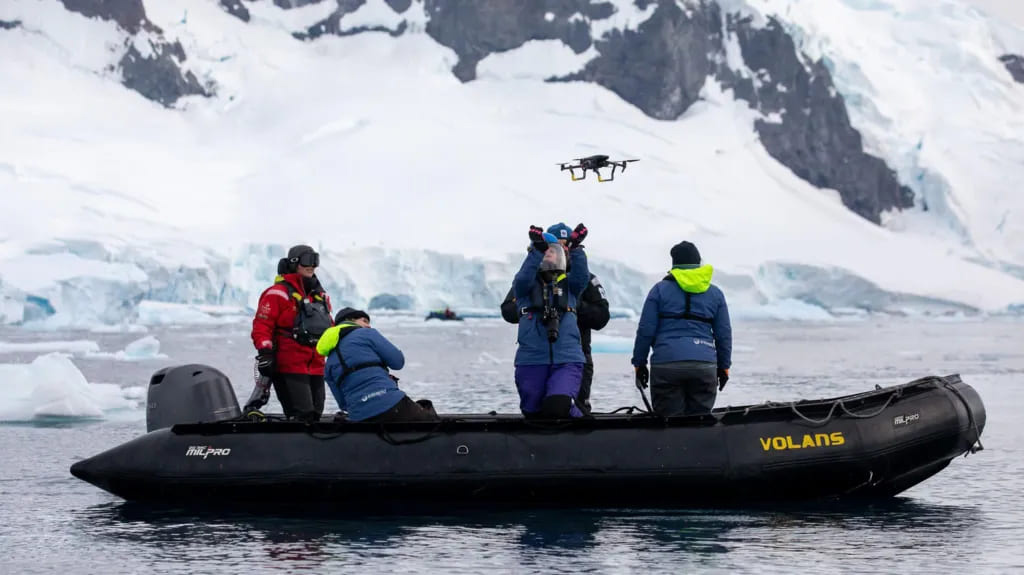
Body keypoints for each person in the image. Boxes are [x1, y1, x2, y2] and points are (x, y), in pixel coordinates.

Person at [501, 222, 610, 414]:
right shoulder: (527, 284)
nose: (560, 250)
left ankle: (580, 423)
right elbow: (509, 310)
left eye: (564, 245)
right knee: (534, 410)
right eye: (553, 246)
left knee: (563, 404)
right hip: (534, 354)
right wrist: (536, 306)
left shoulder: (578, 282)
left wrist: (568, 307)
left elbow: (601, 317)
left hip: (572, 353)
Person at [631, 241, 731, 416]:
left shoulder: (659, 290)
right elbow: (724, 334)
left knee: (670, 423)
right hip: (704, 365)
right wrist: (724, 367)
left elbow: (646, 330)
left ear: (674, 264)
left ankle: (668, 442)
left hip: (666, 365)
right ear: (698, 262)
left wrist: (639, 364)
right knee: (698, 422)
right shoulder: (715, 294)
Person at [249, 245, 333, 422]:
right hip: (289, 365)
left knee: (316, 415)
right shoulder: (277, 293)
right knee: (303, 415)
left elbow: (330, 328)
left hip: (317, 366)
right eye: (307, 260)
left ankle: (315, 447)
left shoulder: (320, 297)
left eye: (315, 261)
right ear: (295, 263)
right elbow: (262, 325)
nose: (312, 266)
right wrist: (265, 351)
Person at [317, 307, 439, 423]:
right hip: (391, 403)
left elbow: (343, 404)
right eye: (364, 321)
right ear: (350, 321)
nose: (369, 326)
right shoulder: (366, 334)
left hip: (359, 416)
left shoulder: (329, 363)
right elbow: (398, 362)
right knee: (427, 411)